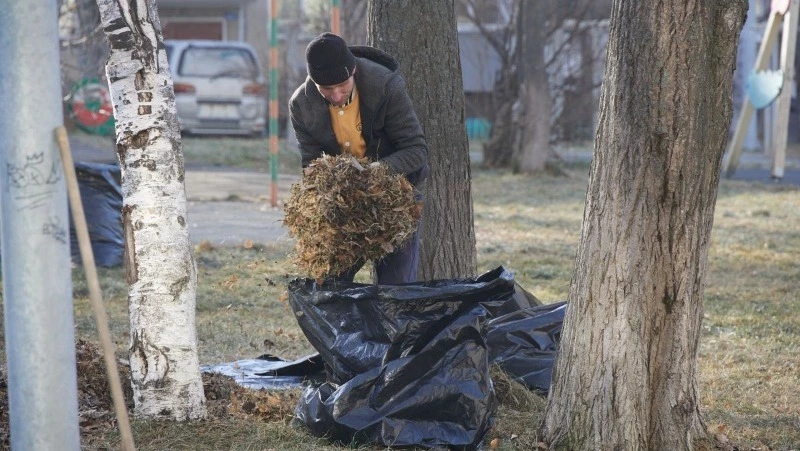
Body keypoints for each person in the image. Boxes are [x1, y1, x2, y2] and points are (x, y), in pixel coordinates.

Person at [289, 32, 429, 285]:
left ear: (352, 70)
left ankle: (390, 324)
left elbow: (416, 150)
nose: (336, 96)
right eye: (326, 90)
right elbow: (311, 163)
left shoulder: (385, 85)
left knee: (396, 285)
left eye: (342, 86)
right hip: (343, 203)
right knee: (331, 282)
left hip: (395, 195)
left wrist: (376, 171)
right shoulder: (301, 104)